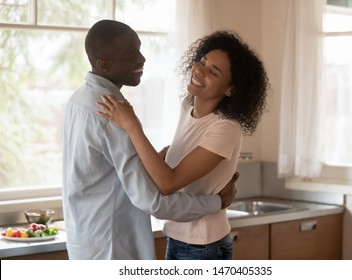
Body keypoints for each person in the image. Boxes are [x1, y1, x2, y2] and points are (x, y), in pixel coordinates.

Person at [61, 19, 238, 260]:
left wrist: (152, 158)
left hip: (86, 242)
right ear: (104, 64)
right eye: (132, 54)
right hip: (112, 248)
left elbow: (106, 170)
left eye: (140, 49)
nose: (142, 59)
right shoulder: (115, 115)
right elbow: (155, 201)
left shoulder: (79, 101)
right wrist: (217, 202)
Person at [96, 30, 270, 259]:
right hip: (178, 238)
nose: (199, 70)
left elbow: (169, 183)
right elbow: (167, 169)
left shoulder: (226, 128)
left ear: (231, 89)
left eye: (213, 72)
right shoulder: (187, 106)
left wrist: (132, 125)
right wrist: (161, 157)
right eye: (202, 61)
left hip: (205, 245)